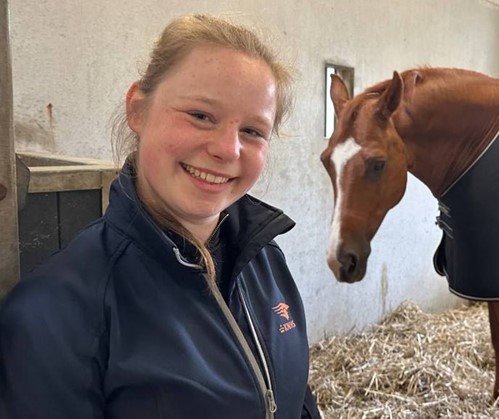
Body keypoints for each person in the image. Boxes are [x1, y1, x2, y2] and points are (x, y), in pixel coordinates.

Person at [0, 14, 321, 419]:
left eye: (253, 131)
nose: (228, 149)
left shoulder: (265, 260)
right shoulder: (57, 308)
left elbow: (295, 400)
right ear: (138, 109)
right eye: (201, 115)